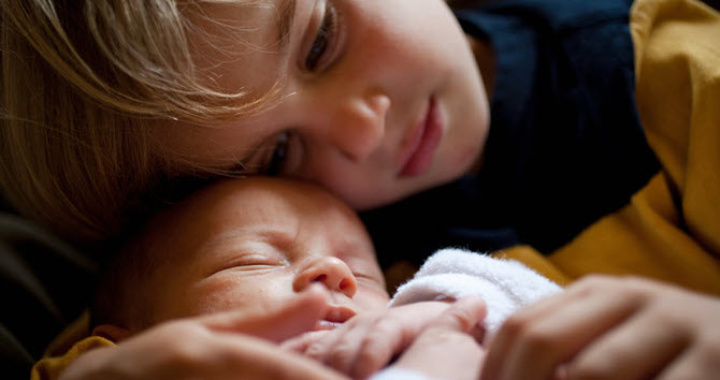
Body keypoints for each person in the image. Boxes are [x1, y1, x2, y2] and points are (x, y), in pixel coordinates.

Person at [2, 0, 720, 378]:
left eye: (319, 41)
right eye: (278, 154)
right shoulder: (266, 251)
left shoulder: (669, 75)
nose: (362, 130)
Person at [32, 177, 562, 380]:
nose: (336, 273)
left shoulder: (442, 334)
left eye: (362, 272)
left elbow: (550, 318)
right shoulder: (121, 370)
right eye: (254, 260)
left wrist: (459, 306)